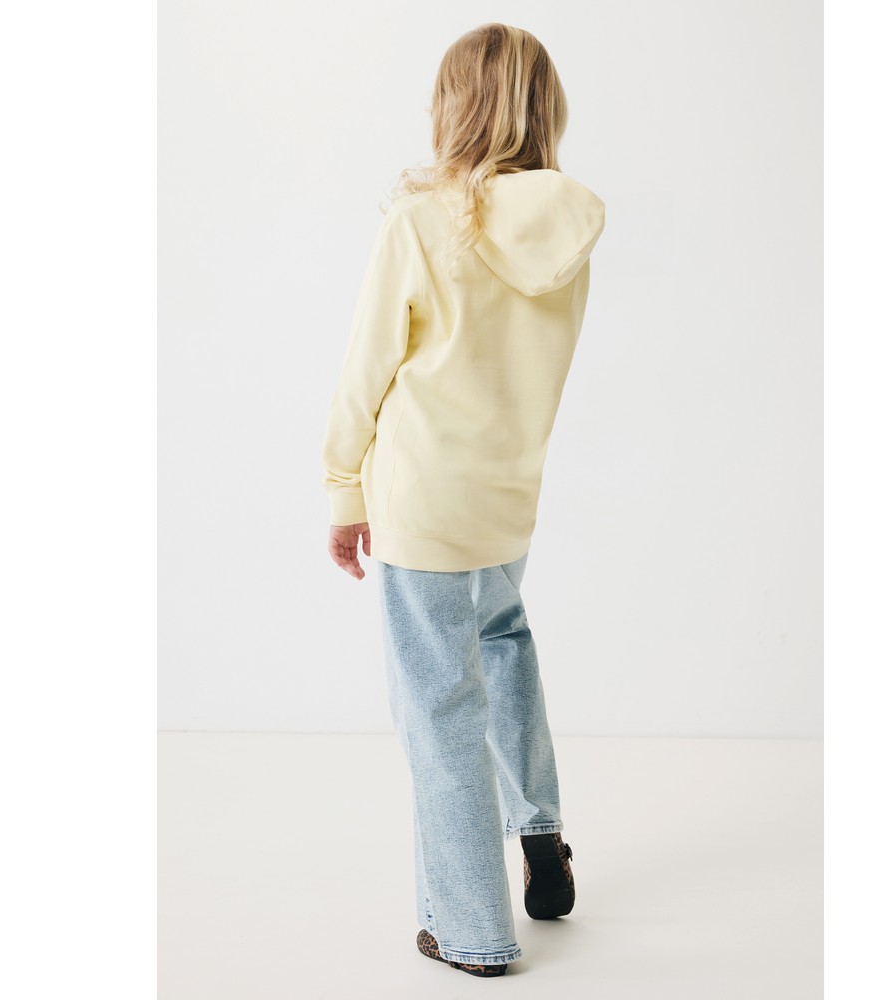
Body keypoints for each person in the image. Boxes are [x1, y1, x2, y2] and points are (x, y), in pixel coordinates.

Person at [321, 22, 604, 978]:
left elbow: (365, 373)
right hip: (506, 497)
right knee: (506, 644)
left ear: (454, 108)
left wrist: (342, 487)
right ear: (544, 108)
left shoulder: (419, 223)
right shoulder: (570, 232)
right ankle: (542, 837)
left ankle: (474, 929)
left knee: (439, 706)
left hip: (422, 503)